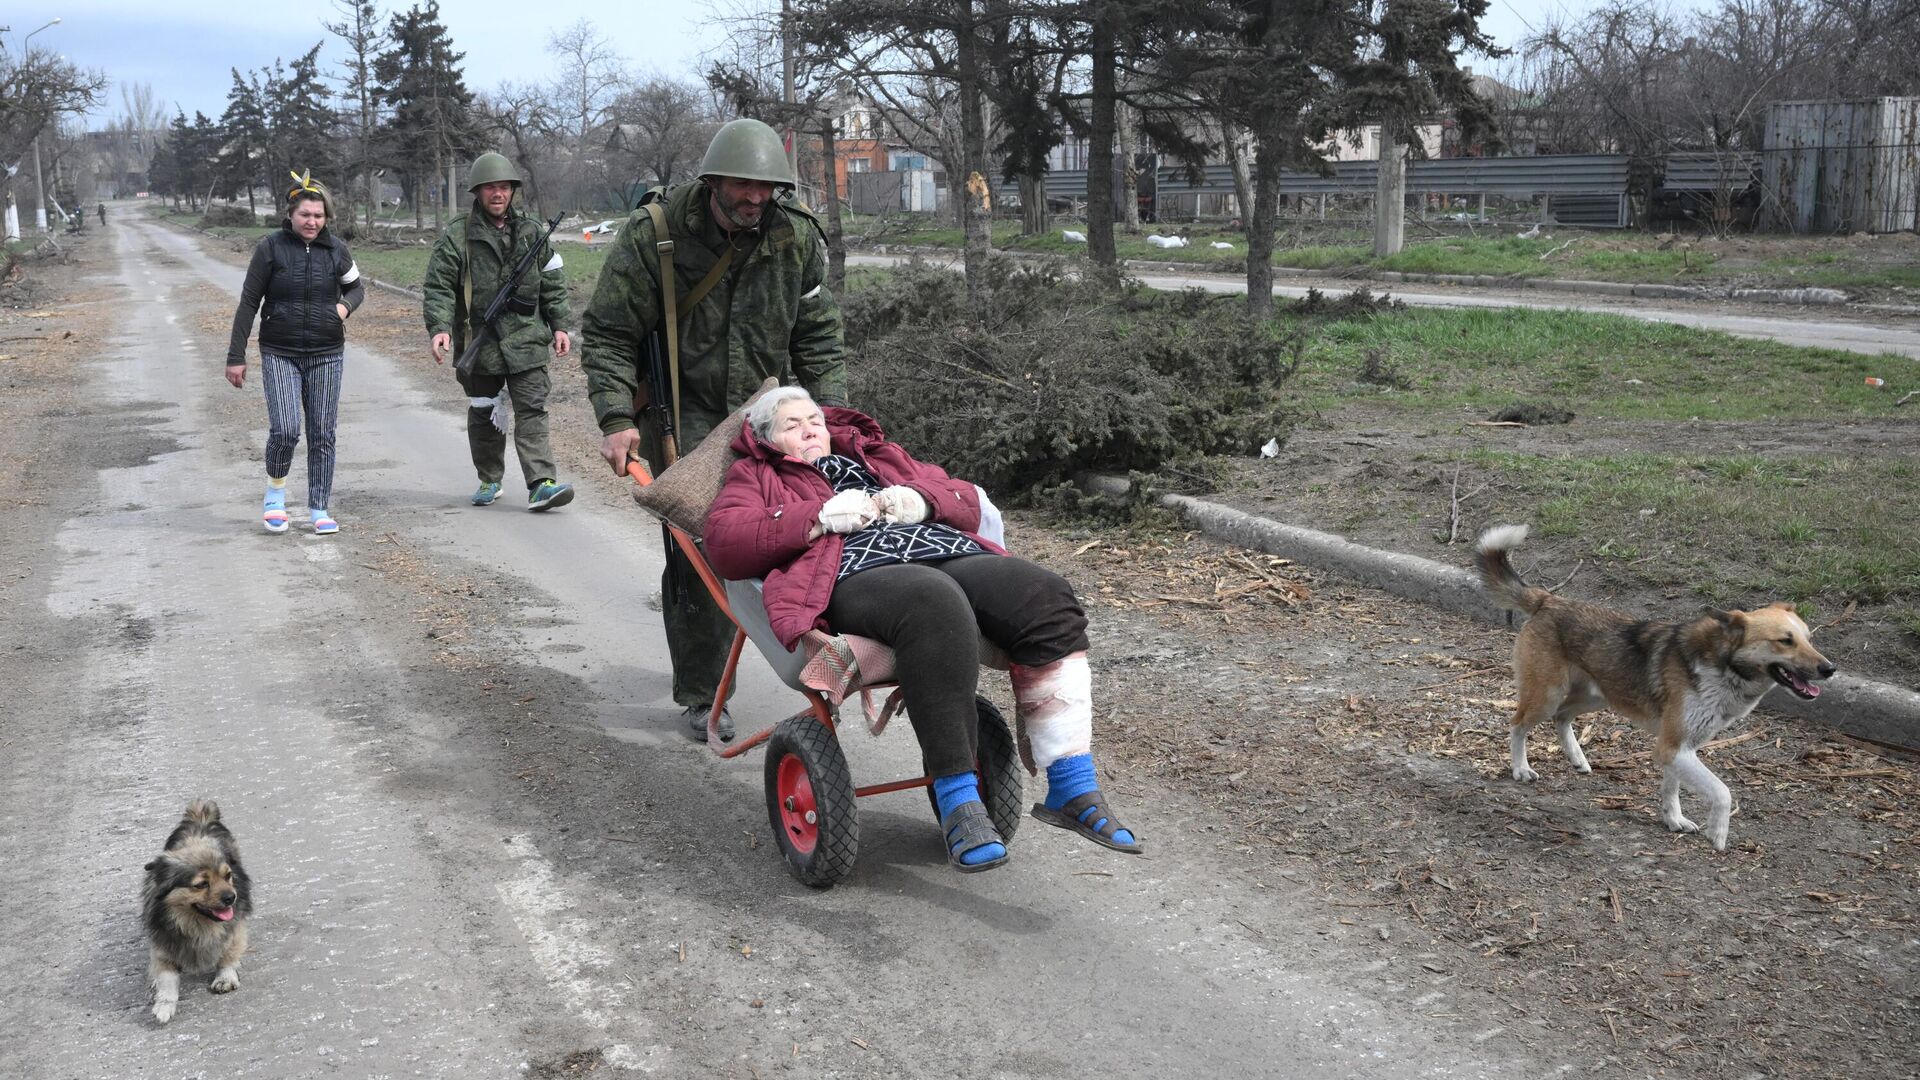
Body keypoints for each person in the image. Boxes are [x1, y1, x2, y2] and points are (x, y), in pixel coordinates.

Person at [703, 388, 1143, 872]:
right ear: (767, 440)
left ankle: (1072, 785)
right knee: (934, 601)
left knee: (1047, 596)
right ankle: (957, 797)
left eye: (815, 420)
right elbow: (726, 540)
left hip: (943, 548)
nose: (810, 428)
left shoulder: (875, 456)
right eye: (792, 424)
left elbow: (964, 498)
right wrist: (818, 518)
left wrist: (922, 500)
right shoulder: (758, 474)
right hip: (854, 571)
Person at [581, 118, 847, 742]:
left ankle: (824, 671)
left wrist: (830, 419)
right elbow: (611, 332)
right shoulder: (657, 237)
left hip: (767, 417)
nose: (756, 198)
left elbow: (818, 335)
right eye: (743, 186)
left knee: (805, 538)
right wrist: (617, 418)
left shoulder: (796, 239)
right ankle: (704, 691)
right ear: (712, 181)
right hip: (686, 417)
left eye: (767, 188)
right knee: (700, 557)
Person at [423, 152, 575, 512]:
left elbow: (553, 282)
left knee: (532, 409)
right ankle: (489, 479)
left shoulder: (532, 232)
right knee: (483, 410)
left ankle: (541, 484)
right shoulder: (459, 235)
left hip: (527, 339)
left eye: (504, 187)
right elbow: (439, 285)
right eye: (491, 187)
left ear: (513, 191)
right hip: (481, 338)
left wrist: (560, 325)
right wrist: (440, 327)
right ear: (478, 191)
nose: (498, 193)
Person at [225, 173, 364, 535]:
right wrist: (235, 355)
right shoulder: (270, 248)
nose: (312, 222)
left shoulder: (336, 250)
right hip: (280, 351)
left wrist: (344, 308)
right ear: (291, 214)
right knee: (286, 429)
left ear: (326, 217)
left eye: (318, 216)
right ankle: (275, 494)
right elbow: (248, 303)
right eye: (305, 214)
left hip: (327, 352)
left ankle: (319, 506)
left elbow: (356, 288)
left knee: (323, 433)